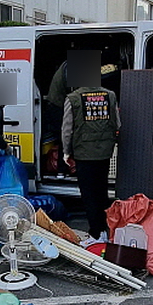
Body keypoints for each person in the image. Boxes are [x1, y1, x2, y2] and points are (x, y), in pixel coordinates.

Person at [62, 74, 120, 241]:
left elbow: (67, 130)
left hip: (83, 153)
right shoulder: (110, 95)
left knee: (89, 195)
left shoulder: (73, 98)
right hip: (104, 152)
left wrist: (67, 152)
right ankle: (104, 229)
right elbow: (117, 123)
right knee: (101, 192)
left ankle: (95, 233)